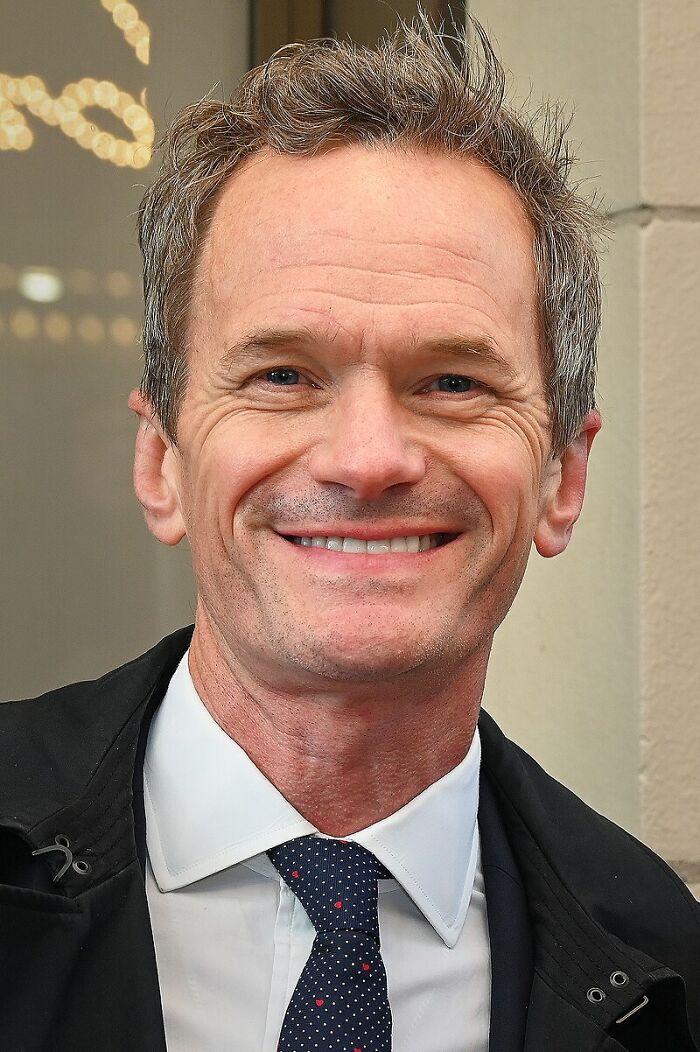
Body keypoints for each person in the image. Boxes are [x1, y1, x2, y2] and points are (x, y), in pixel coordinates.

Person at [1, 14, 698, 1052]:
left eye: (453, 381)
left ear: (563, 476)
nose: (368, 457)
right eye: (281, 375)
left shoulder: (666, 964)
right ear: (163, 464)